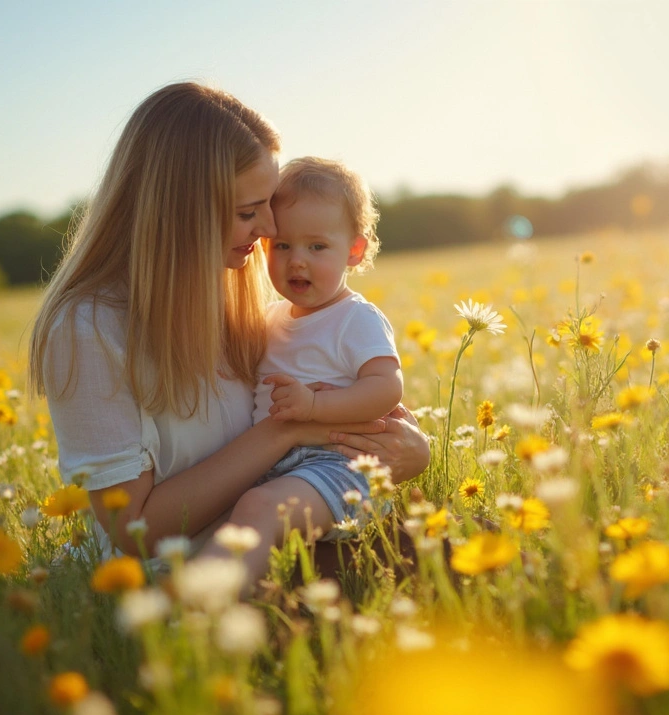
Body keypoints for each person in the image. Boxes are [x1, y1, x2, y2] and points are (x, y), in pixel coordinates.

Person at [27, 83, 429, 560]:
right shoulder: (88, 327)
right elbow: (134, 530)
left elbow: (346, 390)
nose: (270, 230)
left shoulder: (236, 296)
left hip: (284, 549)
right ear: (183, 211)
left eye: (269, 205)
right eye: (247, 212)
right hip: (165, 582)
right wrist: (288, 430)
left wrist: (412, 451)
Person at [197, 157, 402, 584]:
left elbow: (387, 389)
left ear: (355, 250)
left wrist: (313, 405)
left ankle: (204, 618)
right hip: (282, 468)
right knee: (231, 520)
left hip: (340, 467)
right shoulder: (272, 318)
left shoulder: (355, 317)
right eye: (283, 246)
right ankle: (225, 603)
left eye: (317, 247)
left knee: (257, 508)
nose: (297, 262)